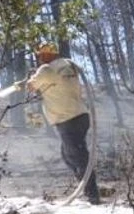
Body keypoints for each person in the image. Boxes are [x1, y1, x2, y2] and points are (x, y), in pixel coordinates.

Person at [25, 44, 101, 204]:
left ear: (46, 55)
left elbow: (31, 86)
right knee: (69, 156)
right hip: (80, 115)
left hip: (67, 119)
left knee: (78, 157)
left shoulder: (46, 69)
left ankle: (92, 195)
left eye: (40, 55)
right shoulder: (68, 65)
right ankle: (87, 188)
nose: (39, 58)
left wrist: (31, 78)